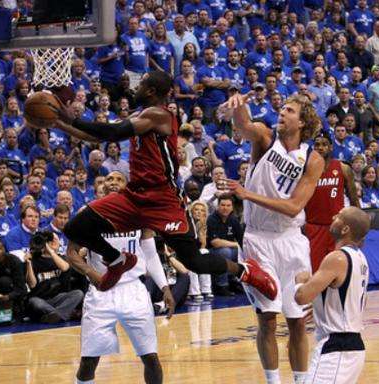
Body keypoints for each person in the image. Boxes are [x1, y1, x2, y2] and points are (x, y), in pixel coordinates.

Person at [51, 71, 277, 300]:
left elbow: (114, 132)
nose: (135, 86)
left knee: (195, 262)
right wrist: (58, 122)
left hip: (163, 199)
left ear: (150, 91)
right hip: (134, 196)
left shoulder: (160, 115)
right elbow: (99, 137)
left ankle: (246, 271)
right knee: (74, 229)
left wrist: (72, 119)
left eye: (141, 83)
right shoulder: (142, 115)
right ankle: (119, 260)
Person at [223, 92, 325, 384]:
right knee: (267, 317)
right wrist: (239, 104)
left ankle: (302, 381)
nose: (282, 113)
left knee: (296, 320)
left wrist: (247, 194)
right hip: (258, 240)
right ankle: (273, 381)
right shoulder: (266, 139)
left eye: (289, 111)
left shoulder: (312, 159)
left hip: (291, 241)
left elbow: (294, 206)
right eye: (281, 108)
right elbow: (244, 127)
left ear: (303, 121)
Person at [66, 170, 174, 384]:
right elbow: (71, 252)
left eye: (119, 179)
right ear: (103, 185)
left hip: (133, 290)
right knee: (89, 360)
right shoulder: (88, 213)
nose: (113, 182)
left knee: (150, 356)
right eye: (109, 179)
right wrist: (94, 275)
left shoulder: (140, 214)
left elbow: (150, 254)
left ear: (127, 186)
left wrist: (164, 287)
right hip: (101, 293)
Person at [295, 206, 371, 384]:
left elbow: (301, 297)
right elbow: (347, 297)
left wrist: (300, 280)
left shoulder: (336, 258)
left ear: (345, 229)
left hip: (338, 347)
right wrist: (323, 305)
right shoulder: (361, 258)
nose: (334, 216)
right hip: (349, 346)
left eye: (339, 216)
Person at [305, 132, 359, 272]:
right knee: (315, 270)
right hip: (314, 227)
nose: (320, 148)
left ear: (331, 147)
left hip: (337, 227)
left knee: (339, 270)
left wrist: (359, 225)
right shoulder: (306, 170)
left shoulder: (342, 168)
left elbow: (354, 198)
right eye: (317, 145)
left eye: (324, 144)